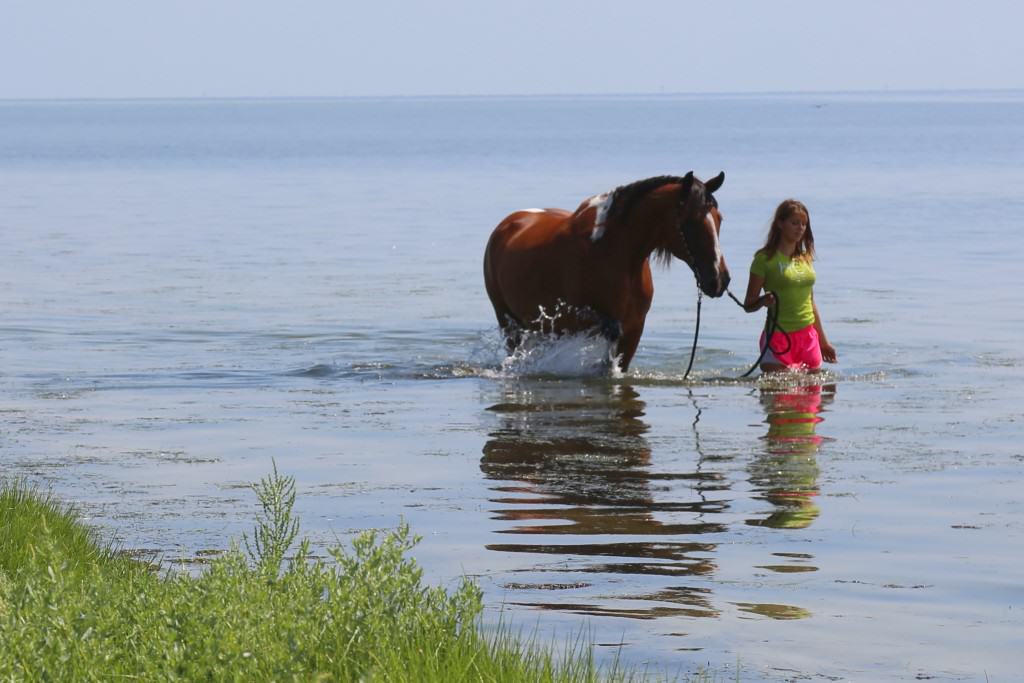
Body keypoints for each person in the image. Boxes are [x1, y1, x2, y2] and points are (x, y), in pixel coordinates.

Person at [743, 199, 837, 373]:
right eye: (794, 223)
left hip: (808, 339)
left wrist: (824, 342)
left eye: (803, 224)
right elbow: (748, 304)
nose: (800, 228)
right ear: (780, 223)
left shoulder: (806, 259)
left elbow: (811, 302)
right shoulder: (764, 260)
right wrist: (763, 300)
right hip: (778, 339)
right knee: (778, 396)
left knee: (814, 398)